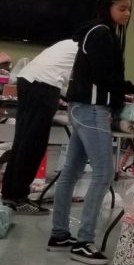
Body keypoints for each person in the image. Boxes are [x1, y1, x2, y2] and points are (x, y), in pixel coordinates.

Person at [48, 0, 134, 265]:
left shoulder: (95, 32)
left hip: (81, 108)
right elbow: (104, 76)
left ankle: (59, 233)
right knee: (104, 173)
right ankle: (84, 242)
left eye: (129, 9)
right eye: (121, 8)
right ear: (106, 8)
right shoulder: (101, 34)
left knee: (71, 171)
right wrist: (132, 89)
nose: (127, 14)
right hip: (91, 110)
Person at [2, 39, 77, 214]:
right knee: (33, 144)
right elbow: (82, 85)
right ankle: (19, 199)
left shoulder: (69, 44)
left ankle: (10, 194)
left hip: (27, 80)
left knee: (22, 140)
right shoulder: (89, 47)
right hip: (44, 85)